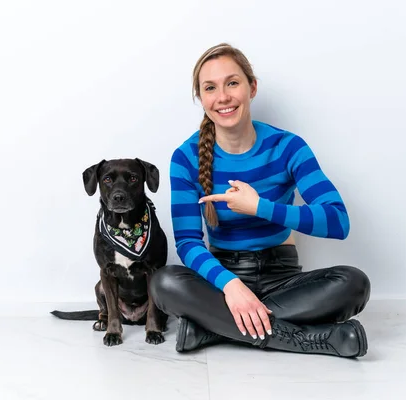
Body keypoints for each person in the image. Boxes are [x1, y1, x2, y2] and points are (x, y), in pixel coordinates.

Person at [150, 43, 371, 357]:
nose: (223, 96)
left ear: (252, 88)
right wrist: (231, 286)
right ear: (201, 98)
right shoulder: (185, 158)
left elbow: (338, 221)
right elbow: (187, 242)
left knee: (353, 282)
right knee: (164, 283)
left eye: (233, 83)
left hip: (283, 278)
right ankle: (314, 340)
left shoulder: (288, 147)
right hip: (221, 278)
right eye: (210, 87)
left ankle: (215, 328)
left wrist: (260, 208)